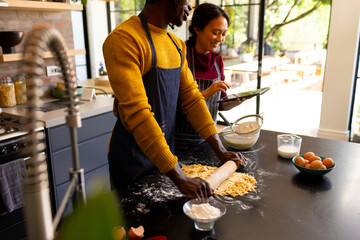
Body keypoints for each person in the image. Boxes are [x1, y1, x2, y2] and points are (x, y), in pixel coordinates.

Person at [103, 0, 246, 199]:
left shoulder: (176, 45)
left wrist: (221, 151)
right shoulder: (124, 40)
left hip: (166, 157)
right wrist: (179, 178)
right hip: (133, 159)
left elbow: (193, 100)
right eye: (186, 0)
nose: (189, 7)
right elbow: (138, 114)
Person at [174, 3, 244, 152]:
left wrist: (235, 101)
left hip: (209, 141)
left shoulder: (217, 61)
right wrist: (207, 93)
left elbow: (219, 104)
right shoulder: (181, 57)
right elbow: (173, 106)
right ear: (197, 29)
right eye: (215, 32)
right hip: (179, 142)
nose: (220, 39)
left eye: (223, 34)